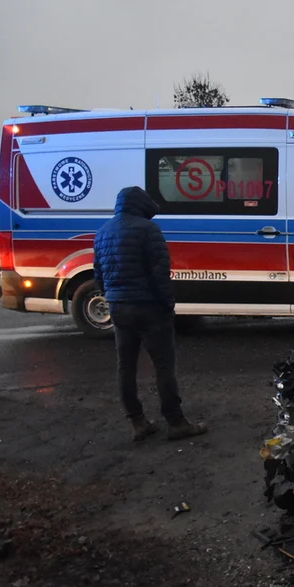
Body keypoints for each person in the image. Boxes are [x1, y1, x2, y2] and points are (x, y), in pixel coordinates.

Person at [92, 186, 207, 442]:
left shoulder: (103, 232)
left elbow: (98, 274)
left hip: (119, 308)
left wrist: (112, 296)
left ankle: (137, 422)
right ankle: (176, 422)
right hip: (149, 308)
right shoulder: (148, 230)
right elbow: (160, 273)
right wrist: (167, 304)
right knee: (164, 366)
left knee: (126, 366)